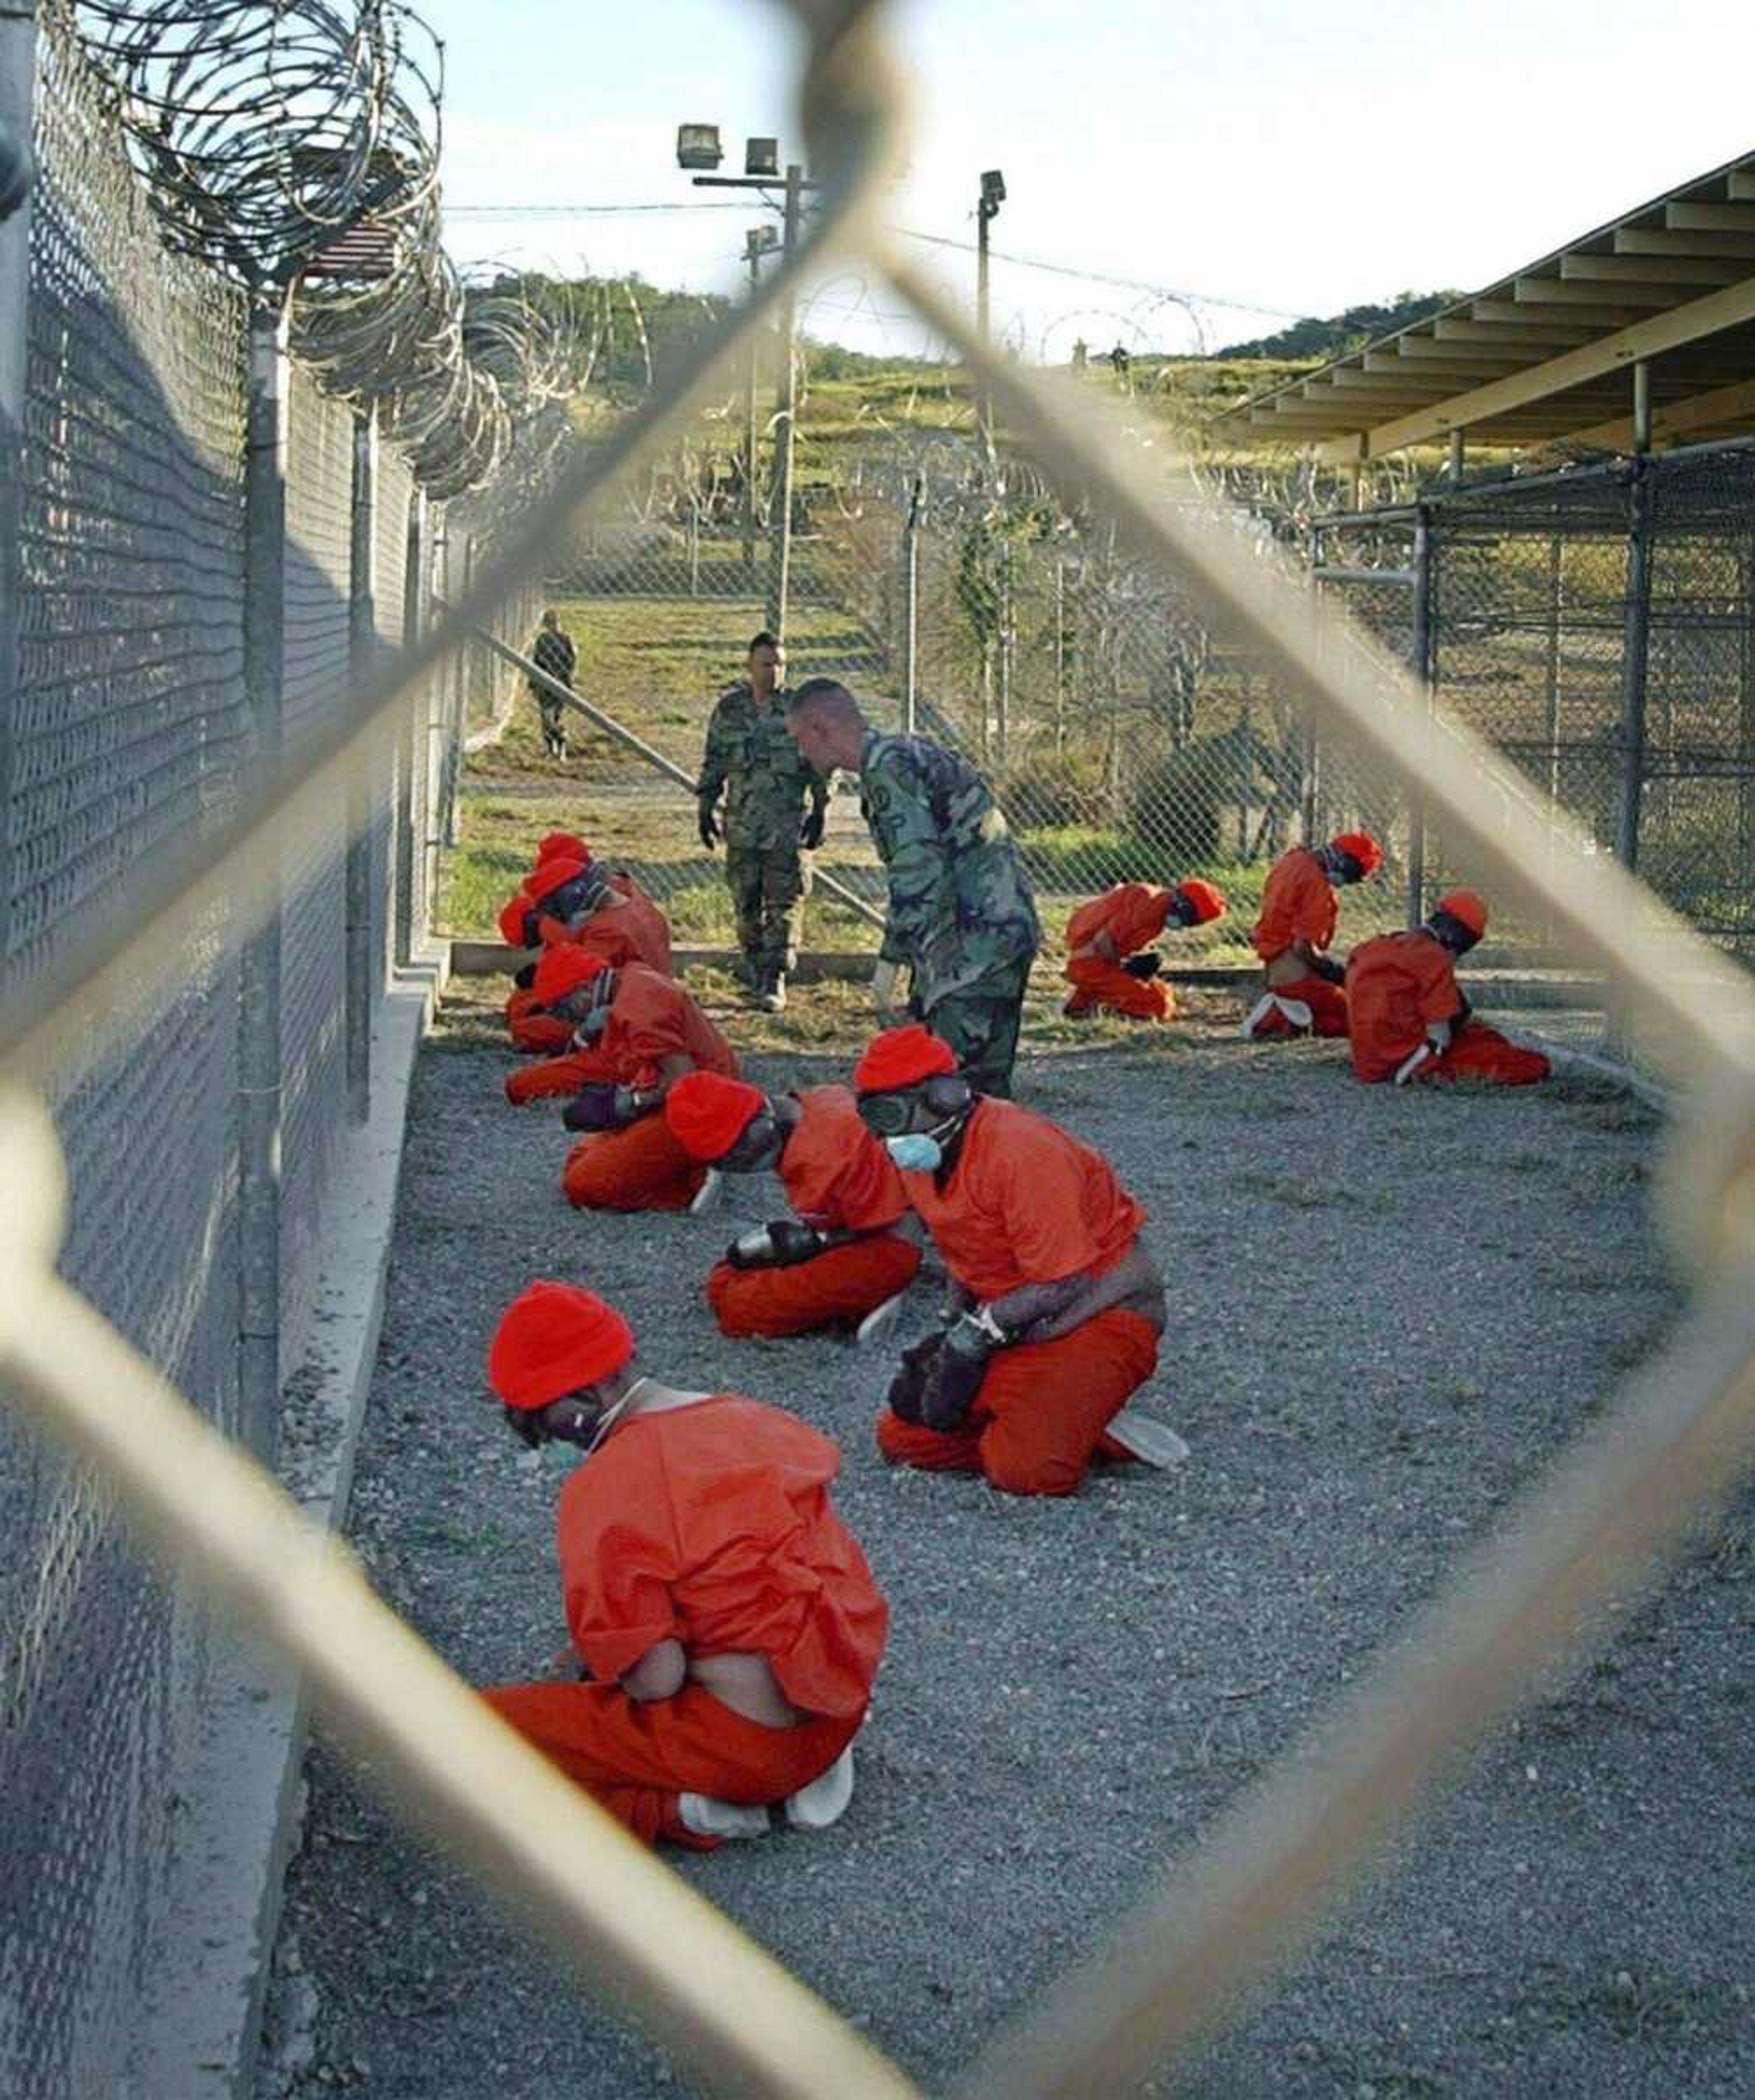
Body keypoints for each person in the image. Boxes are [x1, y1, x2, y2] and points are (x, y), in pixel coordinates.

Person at [480, 1281, 888, 1849]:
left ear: (592, 1393)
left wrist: (612, 1659)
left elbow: (655, 1680)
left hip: (747, 1746)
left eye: (539, 1423)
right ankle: (788, 1775)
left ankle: (689, 1812)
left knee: (475, 1735)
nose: (539, 1443)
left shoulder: (607, 1486)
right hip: (836, 1710)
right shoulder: (754, 1418)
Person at [852, 1023, 1183, 1497]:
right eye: (874, 1117)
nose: (888, 1135)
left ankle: (1084, 1424)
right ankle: (1059, 1415)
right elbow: (962, 1242)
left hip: (1096, 1312)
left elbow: (1064, 1281)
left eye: (894, 1113)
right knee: (903, 1439)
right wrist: (956, 1322)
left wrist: (974, 1336)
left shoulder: (1021, 1150)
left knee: (1027, 1471)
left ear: (946, 1097)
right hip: (1018, 1319)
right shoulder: (924, 1155)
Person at [785, 680, 1040, 1097]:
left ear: (818, 728)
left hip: (975, 944)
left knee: (951, 1095)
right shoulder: (901, 754)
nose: (800, 752)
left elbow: (917, 873)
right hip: (997, 932)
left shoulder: (887, 768)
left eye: (799, 739)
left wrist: (890, 964)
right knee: (985, 1095)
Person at [664, 1070, 922, 1345]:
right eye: (727, 1161)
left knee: (738, 1309)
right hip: (851, 1229)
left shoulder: (824, 1161)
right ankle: (844, 1302)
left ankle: (872, 1297)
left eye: (740, 1150)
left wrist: (810, 1245)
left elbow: (878, 1224)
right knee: (724, 1278)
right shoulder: (811, 1103)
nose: (743, 1161)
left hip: (887, 1243)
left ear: (761, 1119)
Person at [696, 633, 828, 1015]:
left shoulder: (799, 713)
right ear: (749, 667)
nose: (774, 672)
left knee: (784, 903)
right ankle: (754, 969)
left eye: (780, 664)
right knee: (746, 903)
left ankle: (776, 977)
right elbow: (715, 760)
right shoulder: (730, 711)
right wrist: (706, 806)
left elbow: (821, 765)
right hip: (741, 826)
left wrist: (821, 809)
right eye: (767, 664)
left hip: (787, 828)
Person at [553, 959, 741, 1210]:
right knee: (578, 1159)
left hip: (700, 1109)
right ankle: (691, 1164)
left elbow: (683, 1079)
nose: (572, 1016)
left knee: (583, 1185)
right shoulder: (631, 979)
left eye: (567, 1007)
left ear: (584, 988)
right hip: (695, 1097)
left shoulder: (637, 1007)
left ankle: (691, 1183)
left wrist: (631, 1103)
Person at [1346, 889, 1550, 1086]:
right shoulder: (1433, 958)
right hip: (1404, 1059)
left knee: (1483, 1036)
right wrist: (1408, 1073)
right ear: (1457, 939)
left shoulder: (1374, 946)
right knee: (1532, 1063)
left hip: (1368, 1061)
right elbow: (1439, 1038)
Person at [500, 852, 673, 1054]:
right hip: (640, 998)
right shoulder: (625, 903)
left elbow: (586, 983)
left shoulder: (606, 929)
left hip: (630, 1013)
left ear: (571, 894)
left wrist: (579, 1035)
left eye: (556, 909)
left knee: (525, 1025)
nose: (559, 917)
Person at [1243, 831, 1383, 1040]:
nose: (1348, 882)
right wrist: (1333, 971)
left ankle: (1290, 1016)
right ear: (1345, 863)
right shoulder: (1316, 883)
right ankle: (1277, 1017)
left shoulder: (1292, 861)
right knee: (1364, 1018)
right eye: (1354, 876)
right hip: (1298, 979)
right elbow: (1303, 948)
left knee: (1332, 1020)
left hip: (1276, 973)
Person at [1063, 877, 1226, 1022]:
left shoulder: (1155, 905)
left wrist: (1130, 966)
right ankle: (1098, 1005)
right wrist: (1124, 969)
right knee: (1158, 1005)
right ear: (1183, 906)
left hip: (1094, 961)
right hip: (1088, 963)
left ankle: (1083, 1001)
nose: (1186, 926)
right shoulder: (1149, 907)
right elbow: (1103, 941)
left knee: (1161, 991)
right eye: (1191, 920)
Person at [530, 610, 578, 762]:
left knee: (554, 717)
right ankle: (553, 749)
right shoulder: (542, 640)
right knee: (546, 719)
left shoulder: (566, 640)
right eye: (550, 624)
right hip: (545, 685)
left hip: (561, 683)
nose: (553, 627)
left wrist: (567, 678)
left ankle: (561, 745)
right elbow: (536, 662)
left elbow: (572, 662)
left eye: (555, 623)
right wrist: (533, 683)